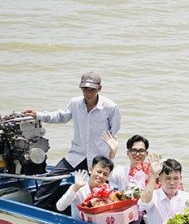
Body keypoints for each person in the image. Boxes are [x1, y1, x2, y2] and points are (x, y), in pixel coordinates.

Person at [24, 72, 121, 210]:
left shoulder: (111, 107)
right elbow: (61, 116)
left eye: (92, 89)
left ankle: (100, 213)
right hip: (77, 153)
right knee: (52, 178)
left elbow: (114, 130)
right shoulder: (75, 103)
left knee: (100, 187)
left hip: (98, 157)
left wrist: (110, 150)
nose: (88, 92)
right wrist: (37, 115)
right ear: (81, 88)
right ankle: (37, 210)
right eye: (85, 89)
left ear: (100, 88)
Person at [140, 153, 189, 224]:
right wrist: (153, 175)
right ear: (159, 179)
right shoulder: (154, 196)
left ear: (181, 179)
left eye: (176, 178)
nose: (172, 182)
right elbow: (144, 203)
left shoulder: (187, 198)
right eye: (168, 178)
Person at [55, 155, 115, 221]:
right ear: (90, 170)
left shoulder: (109, 190)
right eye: (99, 172)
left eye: (105, 174)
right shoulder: (79, 188)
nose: (101, 176)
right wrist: (75, 187)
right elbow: (60, 207)